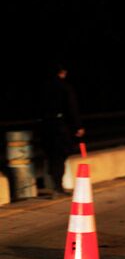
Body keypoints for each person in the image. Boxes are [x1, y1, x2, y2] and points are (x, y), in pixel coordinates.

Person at [38, 64, 85, 198]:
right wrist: (78, 126)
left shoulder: (43, 87)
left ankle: (55, 184)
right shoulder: (65, 87)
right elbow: (71, 108)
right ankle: (58, 187)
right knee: (61, 155)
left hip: (45, 125)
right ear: (62, 72)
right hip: (60, 125)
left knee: (51, 155)